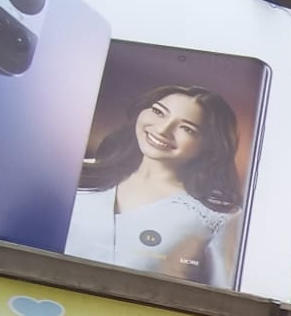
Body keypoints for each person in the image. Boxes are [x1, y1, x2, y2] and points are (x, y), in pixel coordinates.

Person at [65, 85, 243, 287]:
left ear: (210, 145)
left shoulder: (218, 216)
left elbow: (223, 301)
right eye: (158, 112)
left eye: (187, 128)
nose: (162, 129)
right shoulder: (75, 173)